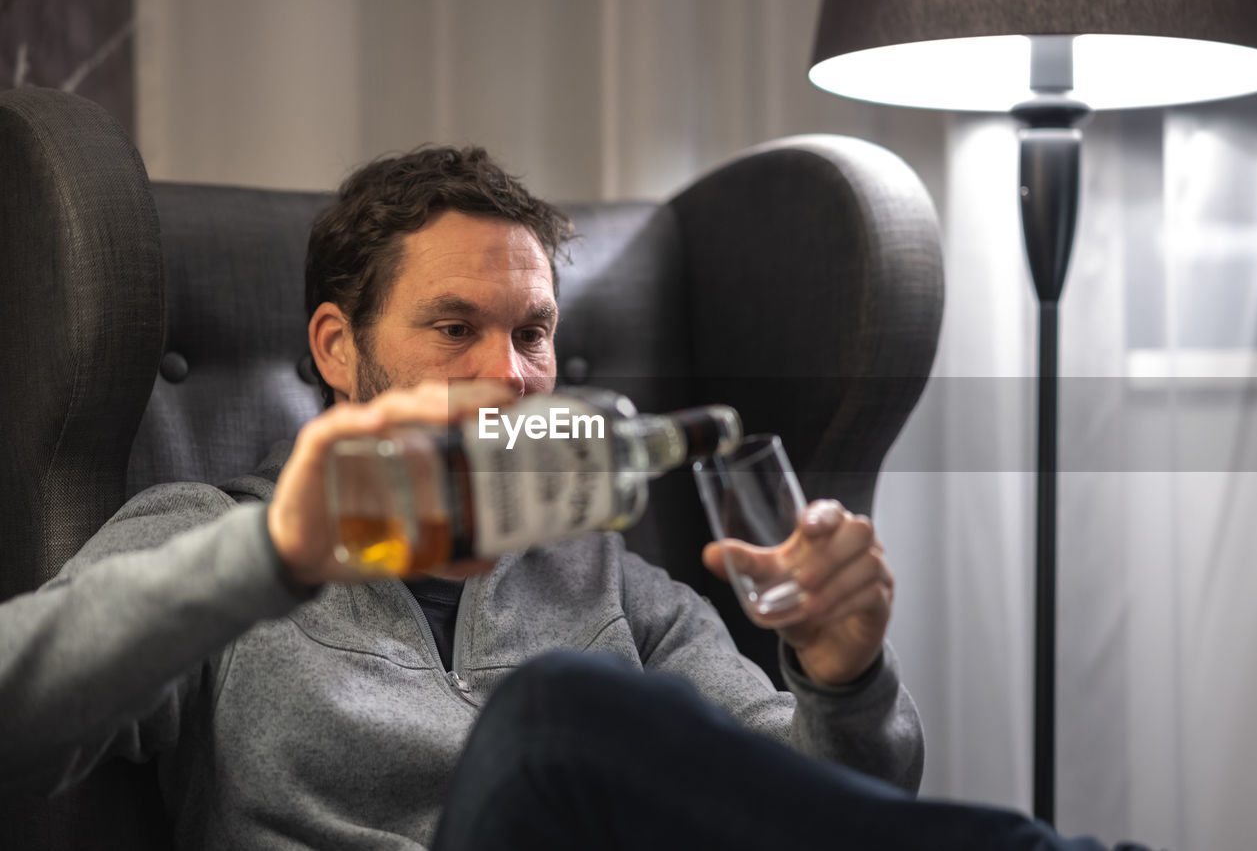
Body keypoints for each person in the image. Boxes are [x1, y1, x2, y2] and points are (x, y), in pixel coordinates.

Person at [0, 146, 922, 847]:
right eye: (454, 328)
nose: (511, 375)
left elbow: (819, 806)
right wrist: (271, 557)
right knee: (562, 700)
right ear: (336, 347)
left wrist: (846, 682)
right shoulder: (217, 539)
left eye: (533, 333)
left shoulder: (604, 573)